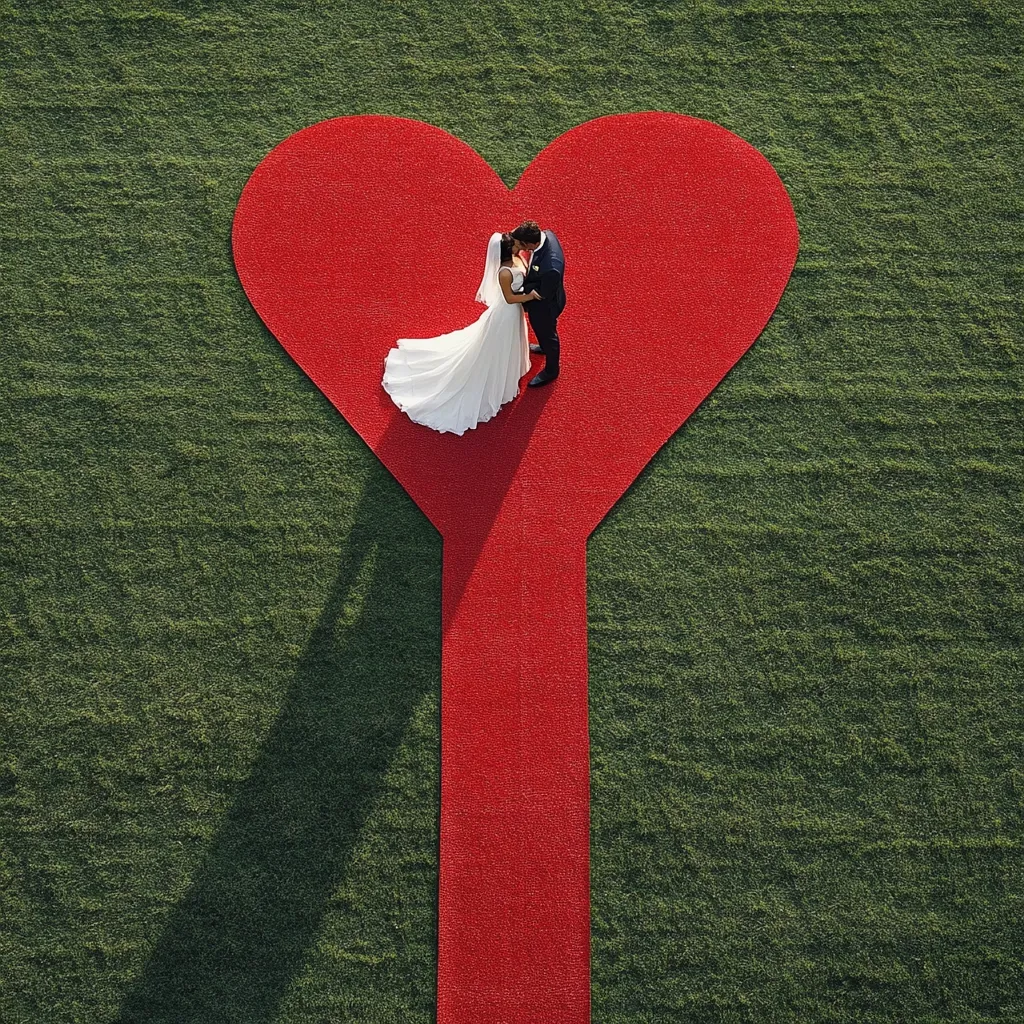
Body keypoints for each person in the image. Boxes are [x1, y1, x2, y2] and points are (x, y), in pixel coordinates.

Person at [381, 232, 541, 435]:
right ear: (507, 250)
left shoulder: (517, 258)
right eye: (514, 245)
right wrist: (531, 296)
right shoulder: (504, 272)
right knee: (497, 348)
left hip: (512, 314)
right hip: (506, 314)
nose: (518, 246)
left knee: (505, 345)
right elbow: (510, 298)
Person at [510, 220, 567, 386]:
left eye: (523, 245)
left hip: (545, 307)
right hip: (547, 296)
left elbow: (542, 294)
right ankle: (543, 346)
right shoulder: (546, 235)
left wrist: (522, 293)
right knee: (543, 334)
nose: (521, 249)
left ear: (533, 243)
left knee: (548, 335)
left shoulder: (551, 267)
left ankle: (551, 371)